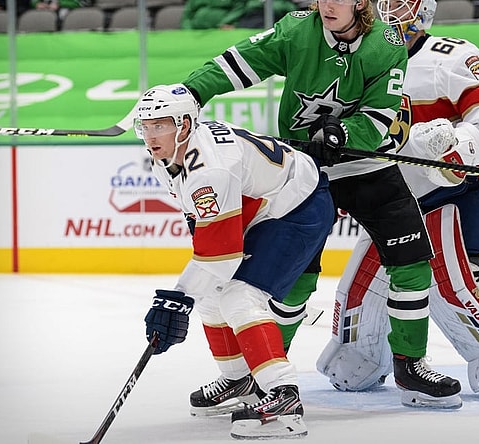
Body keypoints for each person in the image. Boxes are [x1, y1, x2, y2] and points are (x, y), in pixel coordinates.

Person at [181, 0, 463, 412]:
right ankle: (261, 379)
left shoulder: (386, 43)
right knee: (293, 276)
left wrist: (342, 133)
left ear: (361, 3)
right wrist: (191, 91)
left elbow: (382, 115)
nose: (326, 4)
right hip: (304, 171)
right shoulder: (298, 30)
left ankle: (410, 365)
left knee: (412, 261)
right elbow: (240, 62)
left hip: (367, 165)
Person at [316, 0, 479, 398]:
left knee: (452, 286)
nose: (389, 10)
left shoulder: (449, 55)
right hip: (389, 199)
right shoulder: (352, 60)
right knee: (360, 293)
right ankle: (363, 357)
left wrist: (459, 143)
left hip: (444, 195)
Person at [136, 83, 334, 439]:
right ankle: (238, 380)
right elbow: (206, 236)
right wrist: (185, 296)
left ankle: (283, 395)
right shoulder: (169, 158)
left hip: (297, 206)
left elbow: (220, 258)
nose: (150, 136)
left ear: (183, 125)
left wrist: (177, 299)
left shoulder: (210, 169)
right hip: (261, 204)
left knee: (239, 296)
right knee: (212, 294)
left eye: (160, 125)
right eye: (145, 126)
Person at [181, 0, 297, 30]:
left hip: (259, 19)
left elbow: (240, 7)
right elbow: (188, 13)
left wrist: (225, 23)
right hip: (194, 31)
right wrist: (187, 29)